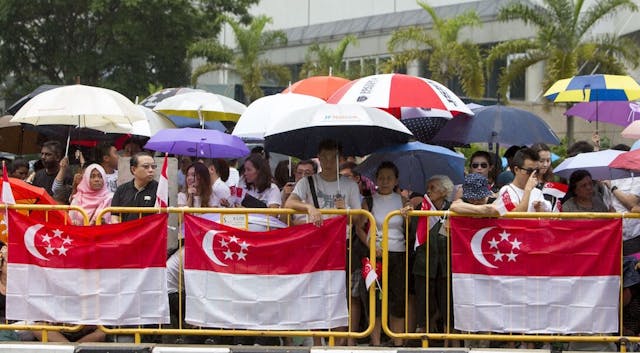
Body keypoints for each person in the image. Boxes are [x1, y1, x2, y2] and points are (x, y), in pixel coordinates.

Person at [285, 139, 361, 345]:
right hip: (314, 246)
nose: (328, 162)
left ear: (340, 159)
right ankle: (317, 341)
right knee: (314, 293)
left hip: (340, 245)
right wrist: (309, 208)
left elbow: (362, 218)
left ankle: (339, 341)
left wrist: (345, 210)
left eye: (333, 157)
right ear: (318, 158)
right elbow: (289, 202)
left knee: (340, 294)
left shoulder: (349, 185)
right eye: (324, 157)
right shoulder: (307, 182)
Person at [354, 161, 408, 346]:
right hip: (375, 254)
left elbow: (409, 228)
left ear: (396, 180)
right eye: (381, 178)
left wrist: (409, 216)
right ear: (376, 179)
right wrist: (370, 245)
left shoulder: (402, 200)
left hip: (398, 253)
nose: (384, 181)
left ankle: (397, 341)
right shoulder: (368, 200)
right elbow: (360, 228)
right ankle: (375, 341)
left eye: (389, 178)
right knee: (373, 297)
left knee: (397, 297)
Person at [412, 175, 454, 339]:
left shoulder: (453, 209)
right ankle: (423, 341)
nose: (428, 191)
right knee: (423, 303)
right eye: (428, 187)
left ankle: (451, 342)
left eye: (433, 188)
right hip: (424, 263)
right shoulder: (421, 209)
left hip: (446, 264)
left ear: (444, 191)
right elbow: (414, 234)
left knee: (447, 304)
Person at [492, 148, 552, 213]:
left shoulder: (537, 192)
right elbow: (516, 216)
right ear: (516, 169)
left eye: (536, 171)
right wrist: (528, 190)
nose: (533, 175)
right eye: (529, 171)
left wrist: (541, 211)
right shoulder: (506, 191)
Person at [110, 152, 159, 223]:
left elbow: (161, 218)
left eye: (153, 167)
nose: (151, 170)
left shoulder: (159, 190)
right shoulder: (121, 190)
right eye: (146, 167)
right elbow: (115, 217)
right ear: (133, 169)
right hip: (126, 232)